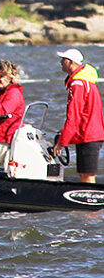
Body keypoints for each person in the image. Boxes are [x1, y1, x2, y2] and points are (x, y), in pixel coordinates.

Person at [52, 48, 104, 183]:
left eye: (63, 60)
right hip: (87, 134)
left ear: (70, 62)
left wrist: (62, 142)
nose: (61, 63)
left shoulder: (78, 84)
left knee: (87, 175)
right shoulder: (84, 81)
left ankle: (90, 202)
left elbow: (74, 116)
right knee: (83, 174)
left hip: (88, 135)